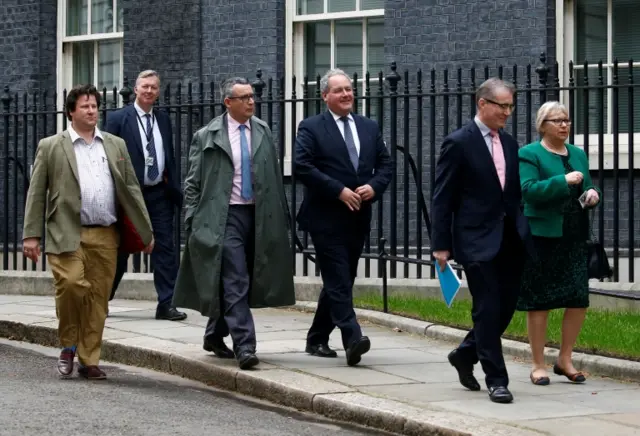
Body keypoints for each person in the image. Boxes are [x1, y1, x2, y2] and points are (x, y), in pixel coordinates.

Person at [22, 84, 154, 379]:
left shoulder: (114, 144)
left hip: (106, 233)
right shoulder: (51, 146)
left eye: (94, 105)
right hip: (66, 231)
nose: (92, 110)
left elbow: (131, 188)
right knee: (70, 285)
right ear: (71, 112)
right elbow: (36, 192)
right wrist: (31, 234)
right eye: (85, 106)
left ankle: (88, 358)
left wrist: (146, 232)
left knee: (97, 298)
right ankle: (68, 343)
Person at [172, 77, 295, 370]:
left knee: (249, 277)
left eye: (252, 96)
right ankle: (246, 345)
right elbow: (192, 183)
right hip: (223, 217)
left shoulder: (263, 131)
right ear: (228, 102)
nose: (251, 101)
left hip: (259, 215)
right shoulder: (207, 135)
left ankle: (215, 334)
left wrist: (282, 217)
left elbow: (274, 177)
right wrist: (192, 220)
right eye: (244, 97)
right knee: (235, 278)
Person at [431, 78, 534, 403]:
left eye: (510, 106)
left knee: (505, 308)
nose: (507, 112)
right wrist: (440, 244)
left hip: (510, 240)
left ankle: (465, 354)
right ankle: (497, 379)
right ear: (482, 104)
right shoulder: (459, 143)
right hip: (475, 240)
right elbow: (442, 197)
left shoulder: (509, 144)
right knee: (487, 308)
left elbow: (512, 194)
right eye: (502, 106)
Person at [295, 68, 392, 367]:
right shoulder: (311, 127)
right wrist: (339, 191)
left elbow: (386, 165)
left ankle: (316, 338)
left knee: (342, 278)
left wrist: (373, 188)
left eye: (349, 89)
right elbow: (302, 165)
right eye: (339, 90)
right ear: (325, 96)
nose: (347, 94)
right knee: (337, 276)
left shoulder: (368, 127)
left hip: (358, 217)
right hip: (325, 217)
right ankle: (353, 337)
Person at [518, 101, 600, 386]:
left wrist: (591, 193)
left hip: (574, 236)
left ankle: (565, 359)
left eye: (566, 120)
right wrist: (562, 181)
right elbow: (528, 191)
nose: (564, 125)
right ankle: (538, 364)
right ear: (543, 125)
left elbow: (587, 183)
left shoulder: (577, 153)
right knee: (540, 301)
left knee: (578, 299)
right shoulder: (530, 154)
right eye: (557, 120)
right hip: (543, 236)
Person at [104, 70, 186, 321]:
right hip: (130, 196)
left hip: (159, 192)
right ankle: (102, 299)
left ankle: (166, 304)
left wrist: (174, 186)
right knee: (121, 249)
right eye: (145, 86)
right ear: (135, 89)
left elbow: (168, 154)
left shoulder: (162, 119)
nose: (149, 91)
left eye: (154, 87)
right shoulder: (118, 118)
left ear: (158, 91)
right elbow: (107, 157)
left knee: (166, 249)